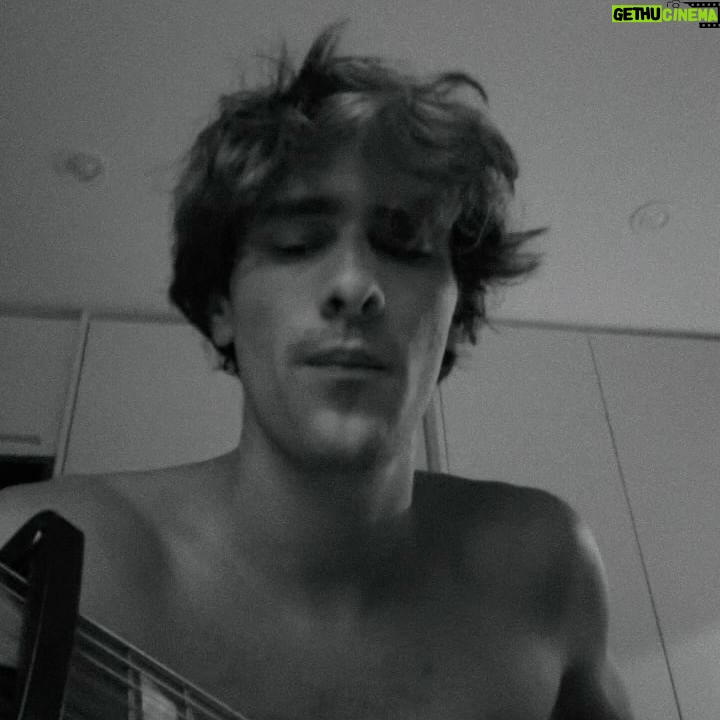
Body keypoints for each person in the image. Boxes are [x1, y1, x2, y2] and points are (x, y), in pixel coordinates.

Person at [0, 22, 634, 720]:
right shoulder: (36, 560)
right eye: (297, 242)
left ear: (455, 314)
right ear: (220, 307)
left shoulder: (548, 568)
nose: (355, 284)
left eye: (405, 245)